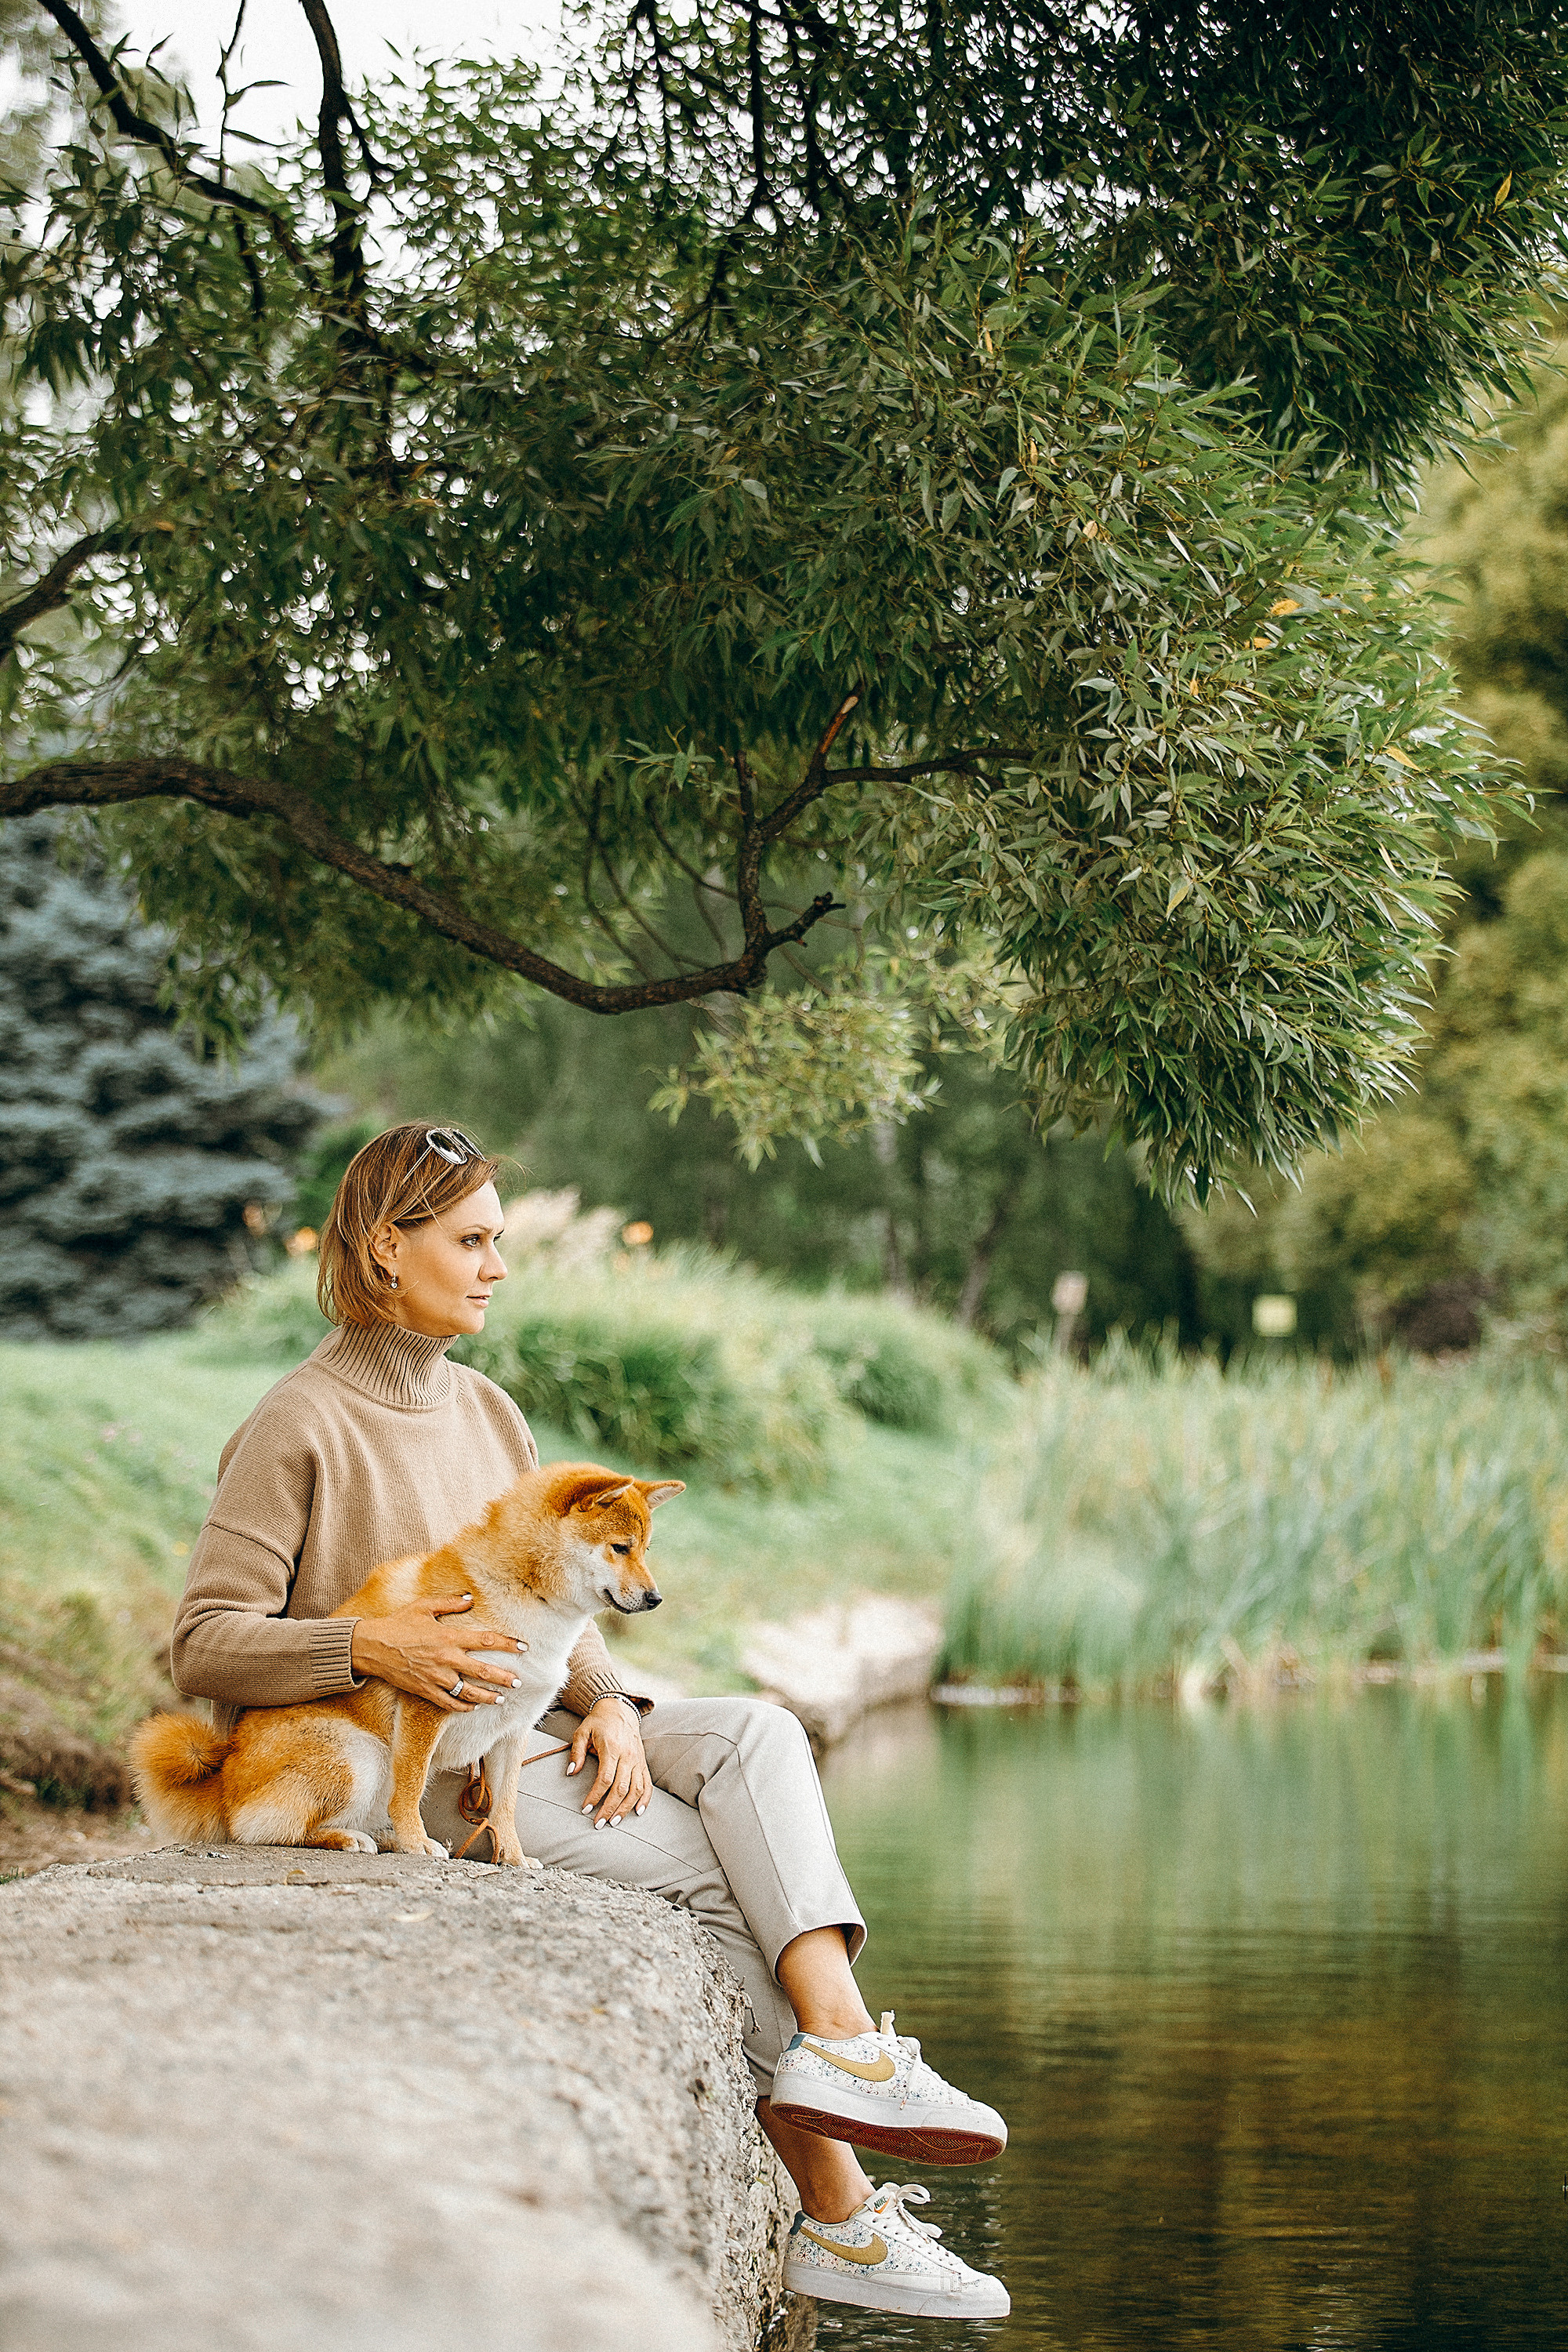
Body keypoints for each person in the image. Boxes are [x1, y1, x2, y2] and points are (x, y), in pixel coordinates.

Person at [169, 1122, 1010, 2322]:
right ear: (381, 1247)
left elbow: (557, 1593)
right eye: (470, 1240)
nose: (497, 1266)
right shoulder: (296, 1425)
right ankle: (841, 2217)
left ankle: (845, 2046)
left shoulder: (489, 1410)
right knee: (724, 1885)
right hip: (419, 1769)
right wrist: (365, 1643)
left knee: (759, 1734)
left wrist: (609, 1701)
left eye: (499, 1240)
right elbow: (203, 1641)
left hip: (528, 1721)